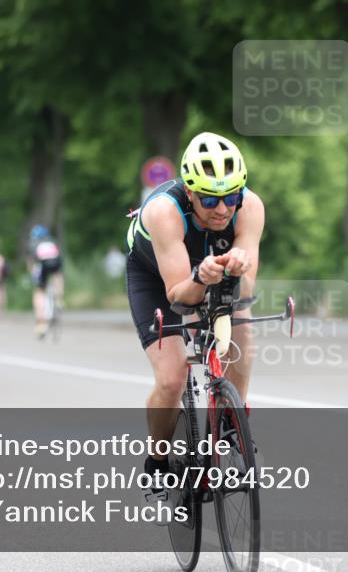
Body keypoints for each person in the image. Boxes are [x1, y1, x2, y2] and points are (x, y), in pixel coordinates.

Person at [125, 132, 264, 507]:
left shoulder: (250, 207)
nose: (222, 209)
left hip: (206, 271)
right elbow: (178, 297)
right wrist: (201, 277)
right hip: (158, 278)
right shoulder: (164, 212)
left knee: (241, 315)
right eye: (209, 199)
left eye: (230, 197)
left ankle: (234, 422)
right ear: (189, 192)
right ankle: (157, 463)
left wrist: (238, 269)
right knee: (172, 379)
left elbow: (246, 289)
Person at [28, 225, 64, 337]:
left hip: (41, 264)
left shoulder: (33, 243)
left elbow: (31, 262)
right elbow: (59, 256)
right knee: (57, 275)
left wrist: (32, 274)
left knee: (39, 291)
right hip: (55, 262)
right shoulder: (52, 241)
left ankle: (41, 322)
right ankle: (59, 298)